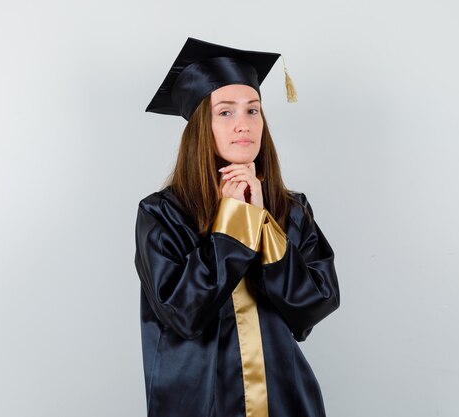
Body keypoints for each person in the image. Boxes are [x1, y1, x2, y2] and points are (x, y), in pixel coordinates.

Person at [134, 37, 340, 417]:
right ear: (201, 126)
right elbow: (183, 314)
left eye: (253, 111)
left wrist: (262, 221)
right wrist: (235, 222)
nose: (243, 125)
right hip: (198, 402)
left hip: (284, 399)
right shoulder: (162, 214)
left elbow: (312, 308)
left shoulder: (290, 209)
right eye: (225, 113)